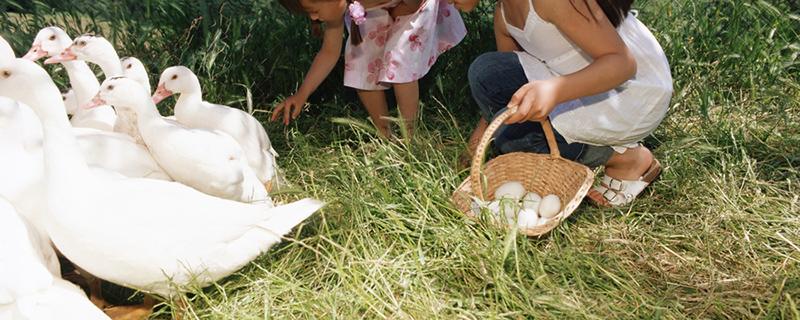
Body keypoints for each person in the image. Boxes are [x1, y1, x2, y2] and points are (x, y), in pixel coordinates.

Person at [453, 0, 673, 206]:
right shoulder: (503, 15)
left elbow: (623, 64)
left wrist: (554, 91)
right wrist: (473, 149)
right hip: (578, 80)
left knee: (512, 137)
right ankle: (571, 151)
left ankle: (627, 159)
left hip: (631, 93)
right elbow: (508, 96)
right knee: (487, 72)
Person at [274, 0, 467, 137]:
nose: (314, 17)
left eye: (313, 9)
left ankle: (411, 137)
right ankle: (384, 133)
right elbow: (329, 52)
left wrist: (398, 12)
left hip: (413, 7)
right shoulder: (338, 6)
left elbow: (413, 5)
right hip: (372, 9)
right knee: (359, 61)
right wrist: (302, 93)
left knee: (399, 59)